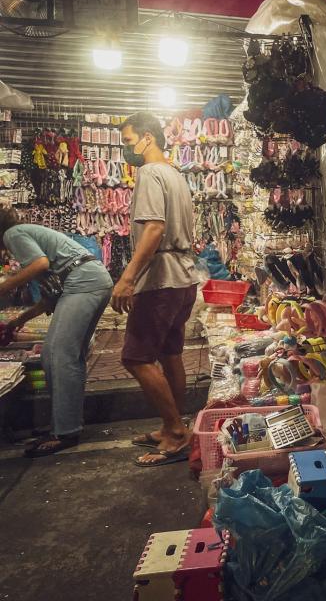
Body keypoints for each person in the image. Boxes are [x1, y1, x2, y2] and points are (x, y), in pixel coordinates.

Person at [113, 112, 199, 467]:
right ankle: (172, 425)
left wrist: (128, 277)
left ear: (148, 138)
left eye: (129, 141)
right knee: (169, 352)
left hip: (160, 278)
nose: (127, 150)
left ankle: (176, 431)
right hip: (183, 277)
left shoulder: (149, 173)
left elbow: (153, 229)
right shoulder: (175, 175)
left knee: (134, 357)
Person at [0, 209, 113, 456]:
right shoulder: (24, 234)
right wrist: (19, 320)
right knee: (63, 355)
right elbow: (50, 295)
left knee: (58, 355)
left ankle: (65, 431)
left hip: (84, 282)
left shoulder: (13, 234)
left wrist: (4, 286)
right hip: (88, 280)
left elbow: (40, 264)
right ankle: (63, 425)